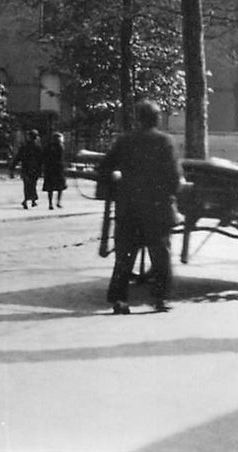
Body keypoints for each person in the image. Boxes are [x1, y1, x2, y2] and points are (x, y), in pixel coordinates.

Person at [99, 99, 181, 315]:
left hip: (129, 208)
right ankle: (160, 299)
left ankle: (119, 300)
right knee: (161, 254)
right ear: (157, 119)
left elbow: (105, 168)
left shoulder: (124, 141)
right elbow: (174, 177)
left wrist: (118, 182)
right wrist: (171, 195)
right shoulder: (165, 141)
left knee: (124, 255)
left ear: (138, 119)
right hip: (156, 208)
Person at [11, 130, 43, 209]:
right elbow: (41, 160)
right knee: (33, 185)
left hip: (26, 168)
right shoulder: (38, 147)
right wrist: (41, 169)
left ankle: (28, 200)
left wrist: (12, 167)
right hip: (35, 169)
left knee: (26, 185)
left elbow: (18, 157)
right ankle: (31, 200)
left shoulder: (24, 147)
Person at [42, 132, 67, 210]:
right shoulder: (60, 146)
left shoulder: (48, 146)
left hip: (50, 169)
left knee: (50, 188)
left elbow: (44, 157)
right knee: (60, 187)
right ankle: (58, 202)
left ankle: (51, 204)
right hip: (58, 169)